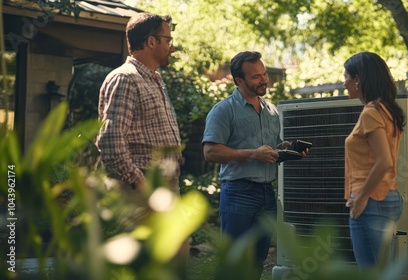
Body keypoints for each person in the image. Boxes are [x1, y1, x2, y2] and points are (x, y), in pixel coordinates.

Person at [96, 12, 188, 270]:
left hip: (164, 187)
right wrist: (145, 186)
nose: (172, 46)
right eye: (168, 39)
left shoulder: (156, 80)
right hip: (141, 190)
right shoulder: (125, 78)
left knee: (173, 262)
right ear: (150, 42)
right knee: (147, 267)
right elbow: (111, 145)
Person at [202, 51, 291, 277]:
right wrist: (253, 154)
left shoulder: (271, 110)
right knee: (234, 260)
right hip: (238, 192)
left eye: (264, 74)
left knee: (258, 259)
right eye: (256, 77)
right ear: (239, 80)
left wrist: (285, 149)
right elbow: (210, 151)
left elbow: (269, 148)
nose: (263, 80)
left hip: (266, 193)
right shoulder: (223, 110)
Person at [343, 51, 406, 269]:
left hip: (371, 202)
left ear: (358, 79)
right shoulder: (386, 110)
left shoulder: (371, 112)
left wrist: (360, 197)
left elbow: (384, 161)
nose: (344, 83)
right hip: (386, 197)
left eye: (346, 77)